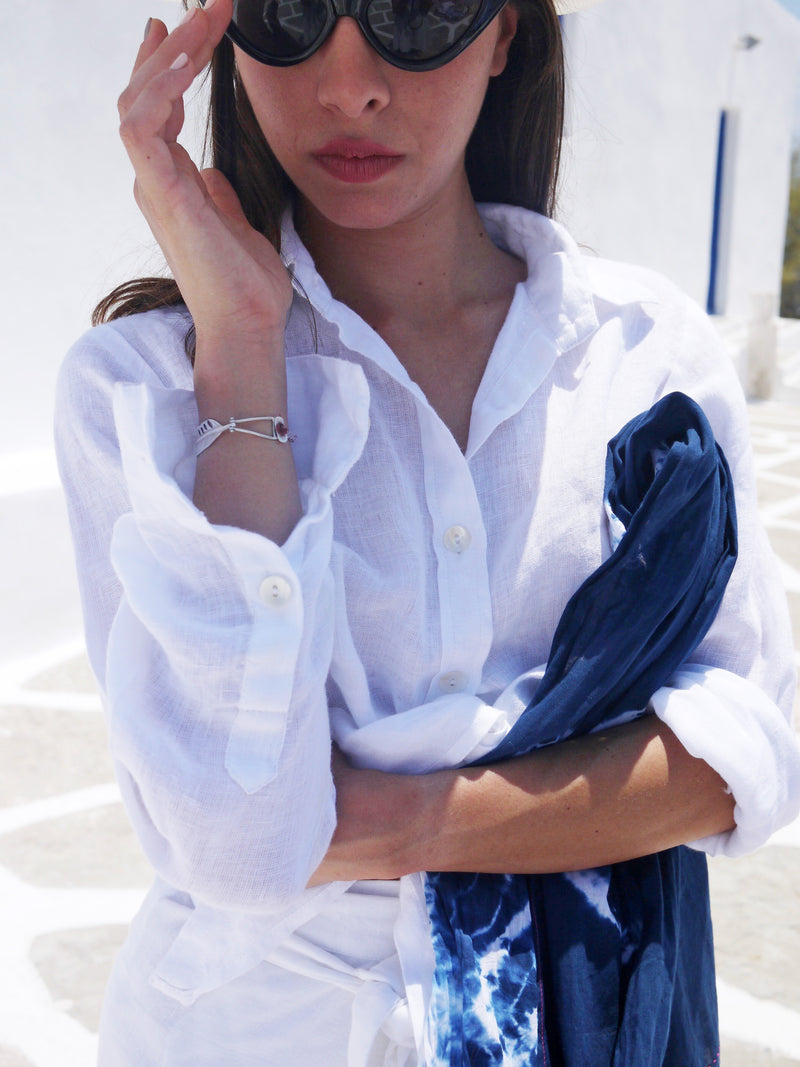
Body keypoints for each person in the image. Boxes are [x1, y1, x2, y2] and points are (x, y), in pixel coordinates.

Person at [55, 0, 800, 1063]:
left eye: (416, 12)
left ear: (504, 33)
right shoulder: (139, 387)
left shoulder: (643, 355)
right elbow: (242, 845)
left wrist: (411, 821)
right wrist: (242, 358)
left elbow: (743, 752)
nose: (347, 82)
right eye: (291, 14)